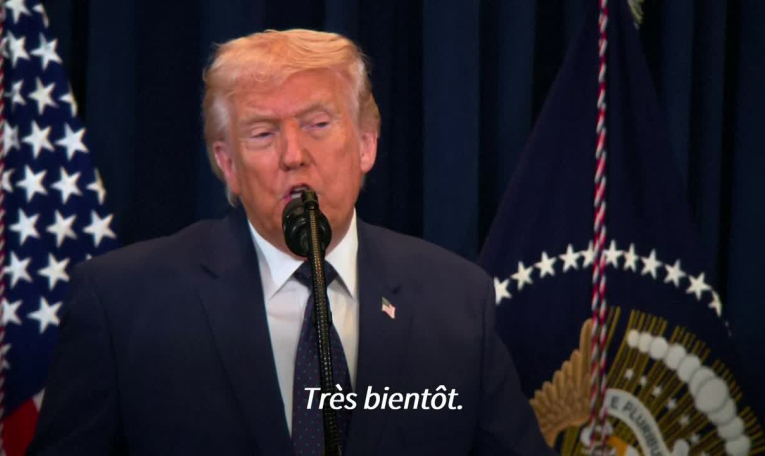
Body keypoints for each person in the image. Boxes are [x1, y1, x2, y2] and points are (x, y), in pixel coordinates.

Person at [28, 29, 554, 455]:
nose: (294, 155)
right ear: (228, 165)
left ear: (366, 145)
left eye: (318, 124)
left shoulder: (455, 299)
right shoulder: (122, 303)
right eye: (263, 133)